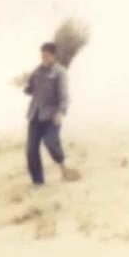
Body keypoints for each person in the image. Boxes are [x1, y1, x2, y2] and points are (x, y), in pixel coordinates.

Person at [24, 43, 81, 185]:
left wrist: (60, 112)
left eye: (46, 56)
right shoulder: (37, 71)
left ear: (53, 56)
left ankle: (64, 167)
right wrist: (24, 83)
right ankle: (38, 183)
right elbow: (30, 90)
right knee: (31, 151)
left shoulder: (60, 72)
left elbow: (64, 96)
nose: (43, 58)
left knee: (51, 143)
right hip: (35, 115)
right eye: (42, 55)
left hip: (51, 117)